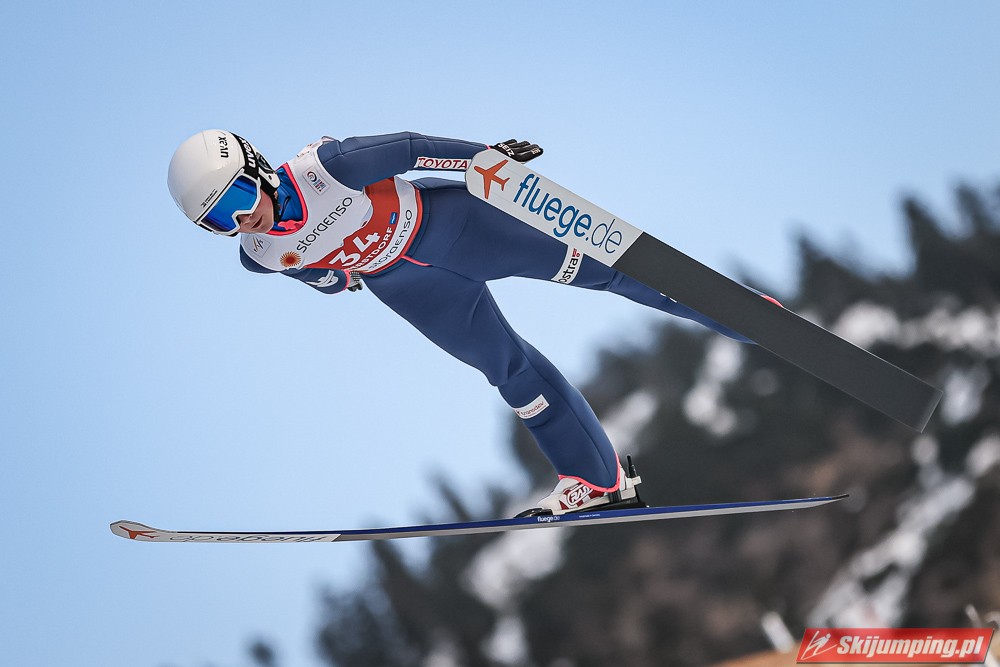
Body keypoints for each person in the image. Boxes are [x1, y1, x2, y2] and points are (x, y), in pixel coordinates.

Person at [167, 130, 752, 516]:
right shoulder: (259, 255)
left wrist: (485, 162)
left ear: (255, 167)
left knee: (611, 270)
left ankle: (746, 316)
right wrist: (338, 281)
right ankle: (597, 480)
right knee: (509, 372)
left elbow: (414, 150)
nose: (242, 220)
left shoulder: (327, 168)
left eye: (237, 198)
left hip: (460, 226)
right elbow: (318, 276)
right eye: (219, 221)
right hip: (412, 288)